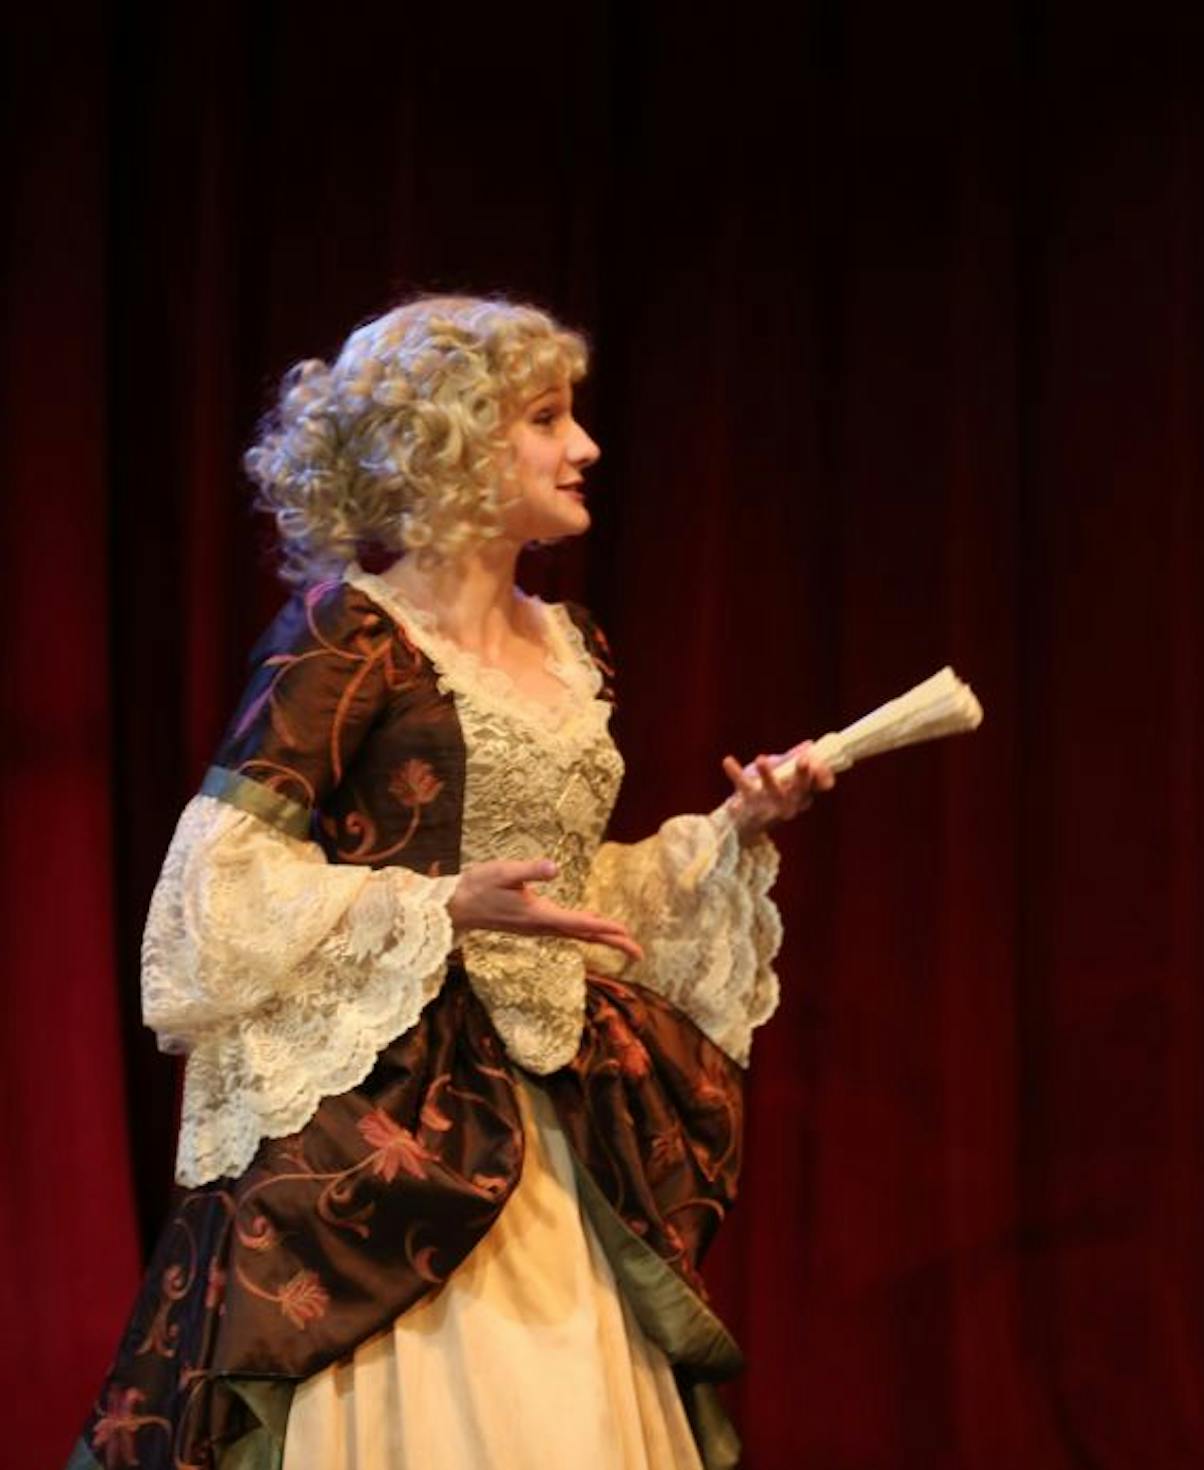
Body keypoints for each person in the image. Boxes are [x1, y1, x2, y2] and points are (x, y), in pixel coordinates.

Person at [73, 296, 831, 1469]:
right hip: (398, 1125)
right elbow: (216, 886)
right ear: (455, 445)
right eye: (546, 418)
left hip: (555, 1116)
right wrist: (434, 905)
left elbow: (578, 892)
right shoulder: (349, 633)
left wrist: (736, 827)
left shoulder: (574, 646)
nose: (585, 447)